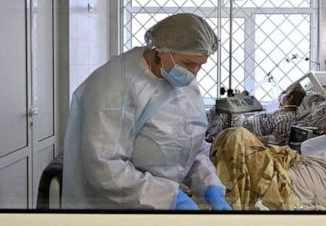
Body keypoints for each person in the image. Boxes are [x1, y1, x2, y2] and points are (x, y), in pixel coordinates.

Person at [62, 13, 232, 211]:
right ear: (161, 50)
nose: (194, 73)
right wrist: (170, 198)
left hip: (159, 204)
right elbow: (105, 168)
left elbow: (189, 144)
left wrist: (209, 184)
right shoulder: (117, 84)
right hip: (115, 209)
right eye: (188, 63)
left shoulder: (182, 83)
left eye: (200, 65)